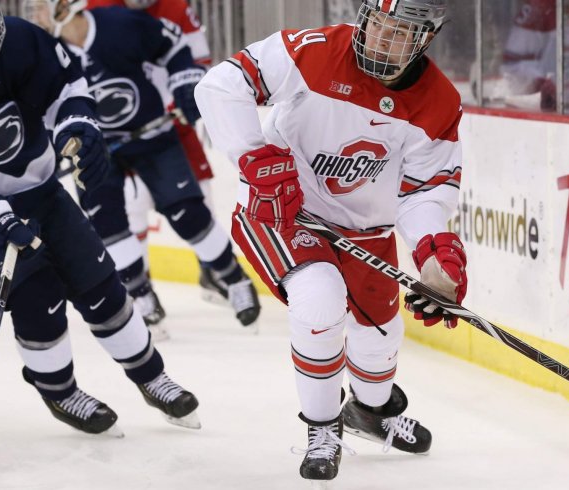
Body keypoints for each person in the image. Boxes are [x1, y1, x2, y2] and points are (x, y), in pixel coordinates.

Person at [196, 0, 468, 483]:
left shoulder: (439, 101)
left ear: (425, 38)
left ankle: (371, 412)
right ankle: (323, 428)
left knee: (380, 338)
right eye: (379, 24)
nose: (384, 38)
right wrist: (252, 156)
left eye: (400, 31)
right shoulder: (313, 51)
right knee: (320, 301)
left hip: (365, 229)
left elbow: (424, 190)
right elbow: (221, 83)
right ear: (364, 17)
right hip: (282, 210)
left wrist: (435, 252)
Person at [0, 0, 199, 435]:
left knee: (101, 284)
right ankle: (60, 391)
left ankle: (151, 376)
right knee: (35, 298)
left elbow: (66, 89)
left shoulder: (20, 39)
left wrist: (77, 127)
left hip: (40, 191)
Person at [22, 0, 260, 335]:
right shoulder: (45, 50)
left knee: (187, 213)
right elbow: (40, 103)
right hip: (95, 148)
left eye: (40, 9)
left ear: (64, 8)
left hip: (153, 135)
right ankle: (141, 293)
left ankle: (233, 278)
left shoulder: (118, 24)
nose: (34, 16)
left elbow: (174, 43)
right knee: (108, 224)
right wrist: (57, 140)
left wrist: (183, 84)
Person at [84, 0, 230, 305]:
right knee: (131, 203)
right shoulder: (96, 7)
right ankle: (137, 286)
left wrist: (187, 90)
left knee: (198, 194)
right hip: (120, 128)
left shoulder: (176, 8)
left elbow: (197, 61)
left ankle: (211, 271)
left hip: (171, 118)